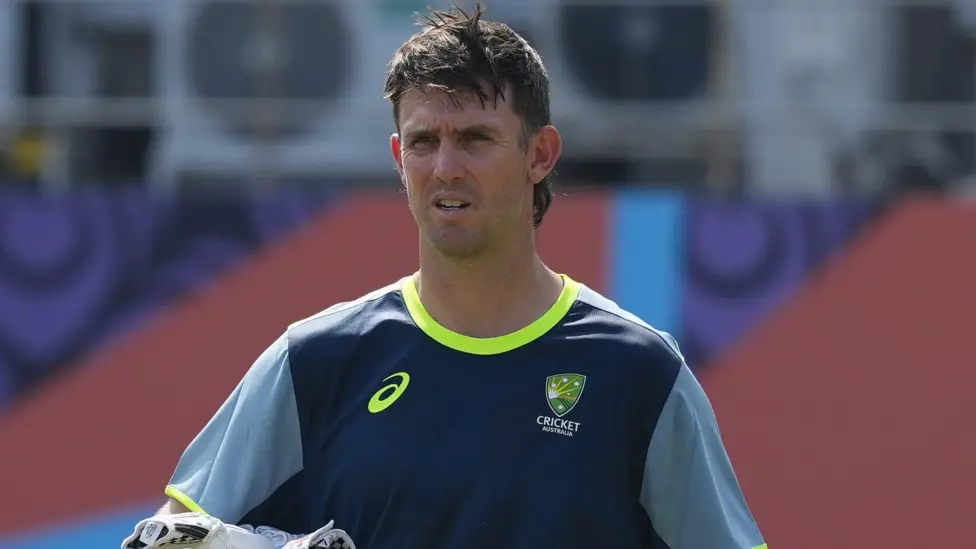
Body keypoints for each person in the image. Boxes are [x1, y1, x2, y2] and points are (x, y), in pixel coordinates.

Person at [131, 4, 767, 549]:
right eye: (423, 142)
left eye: (475, 139)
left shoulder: (639, 373)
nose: (445, 168)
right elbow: (178, 532)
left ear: (540, 154)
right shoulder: (316, 361)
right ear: (398, 157)